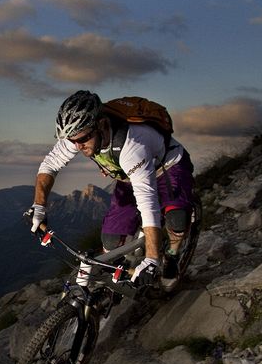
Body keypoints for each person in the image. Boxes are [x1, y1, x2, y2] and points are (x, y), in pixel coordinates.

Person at [29, 90, 195, 286]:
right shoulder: (81, 133)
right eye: (72, 140)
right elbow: (50, 165)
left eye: (82, 139)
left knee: (177, 219)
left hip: (168, 166)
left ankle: (173, 254)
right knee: (111, 242)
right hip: (129, 177)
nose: (77, 146)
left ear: (101, 125)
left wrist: (152, 259)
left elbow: (147, 203)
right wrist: (39, 207)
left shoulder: (132, 145)